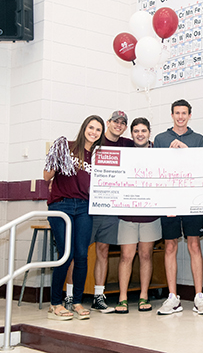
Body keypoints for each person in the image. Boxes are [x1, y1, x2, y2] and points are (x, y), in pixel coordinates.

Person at [64, 110, 135, 314]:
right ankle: (69, 295)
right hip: (87, 205)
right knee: (79, 252)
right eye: (115, 121)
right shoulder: (94, 142)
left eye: (123, 123)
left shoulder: (127, 144)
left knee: (103, 250)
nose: (118, 125)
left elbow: (144, 151)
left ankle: (98, 295)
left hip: (110, 207)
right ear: (108, 123)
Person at [153, 99, 203, 315]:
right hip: (169, 201)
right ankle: (172, 297)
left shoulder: (198, 139)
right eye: (176, 113)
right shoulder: (160, 138)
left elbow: (201, 168)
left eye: (184, 113)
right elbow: (156, 169)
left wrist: (187, 150)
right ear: (171, 115)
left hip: (192, 200)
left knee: (194, 245)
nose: (180, 116)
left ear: (189, 115)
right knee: (170, 246)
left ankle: (199, 296)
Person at [44, 115, 104, 320]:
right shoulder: (66, 147)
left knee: (81, 255)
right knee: (65, 254)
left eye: (98, 129)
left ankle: (77, 302)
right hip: (62, 204)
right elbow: (46, 177)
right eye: (91, 127)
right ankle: (55, 304)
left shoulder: (98, 156)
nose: (93, 132)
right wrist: (56, 159)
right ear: (83, 128)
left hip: (85, 207)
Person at [114, 118, 161, 313]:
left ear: (149, 132)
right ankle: (123, 298)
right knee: (126, 256)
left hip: (150, 213)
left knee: (145, 255)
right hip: (127, 213)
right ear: (131, 134)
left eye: (143, 130)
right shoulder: (124, 152)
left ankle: (143, 296)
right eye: (136, 131)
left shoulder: (159, 154)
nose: (140, 134)